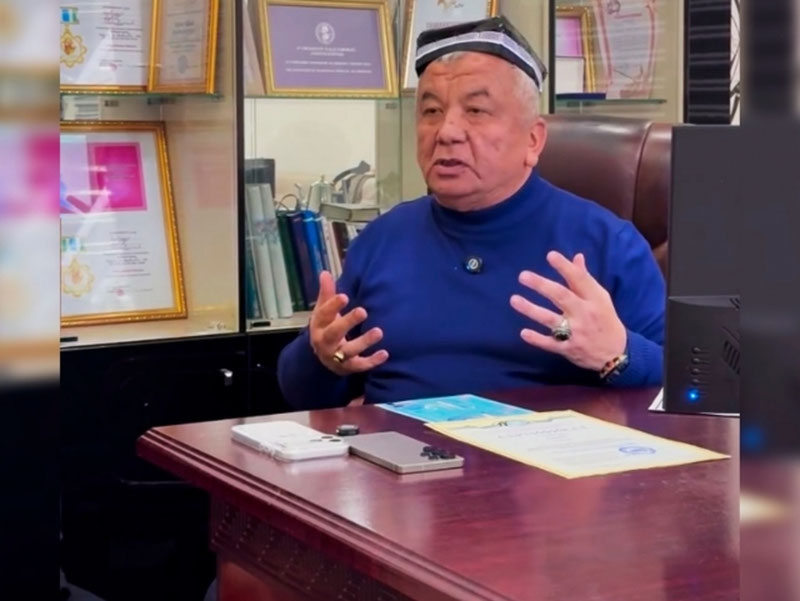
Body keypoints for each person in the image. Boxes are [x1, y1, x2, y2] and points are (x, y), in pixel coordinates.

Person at [278, 16, 665, 409]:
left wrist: (619, 354)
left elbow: (688, 390)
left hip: (542, 448)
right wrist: (322, 357)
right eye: (431, 111)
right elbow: (299, 393)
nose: (446, 132)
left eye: (476, 111)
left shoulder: (608, 244)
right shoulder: (383, 239)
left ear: (533, 140)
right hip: (395, 445)